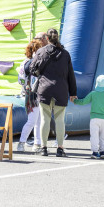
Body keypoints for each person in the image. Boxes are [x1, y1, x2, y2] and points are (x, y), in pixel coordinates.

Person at [29, 28, 76, 157]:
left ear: (47, 39)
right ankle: (60, 148)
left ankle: (43, 148)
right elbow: (70, 75)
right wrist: (73, 92)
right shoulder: (65, 54)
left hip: (45, 89)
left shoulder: (41, 51)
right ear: (57, 37)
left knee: (45, 119)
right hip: (61, 89)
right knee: (60, 120)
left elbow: (32, 69)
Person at [72, 75, 104, 159]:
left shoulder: (93, 94)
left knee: (94, 135)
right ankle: (102, 152)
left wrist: (75, 101)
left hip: (94, 119)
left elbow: (83, 102)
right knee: (103, 136)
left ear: (96, 84)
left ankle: (94, 152)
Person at [17, 39, 43, 152]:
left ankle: (37, 144)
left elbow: (21, 80)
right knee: (33, 121)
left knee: (37, 120)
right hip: (34, 94)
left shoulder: (24, 62)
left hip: (30, 93)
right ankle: (21, 143)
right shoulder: (34, 62)